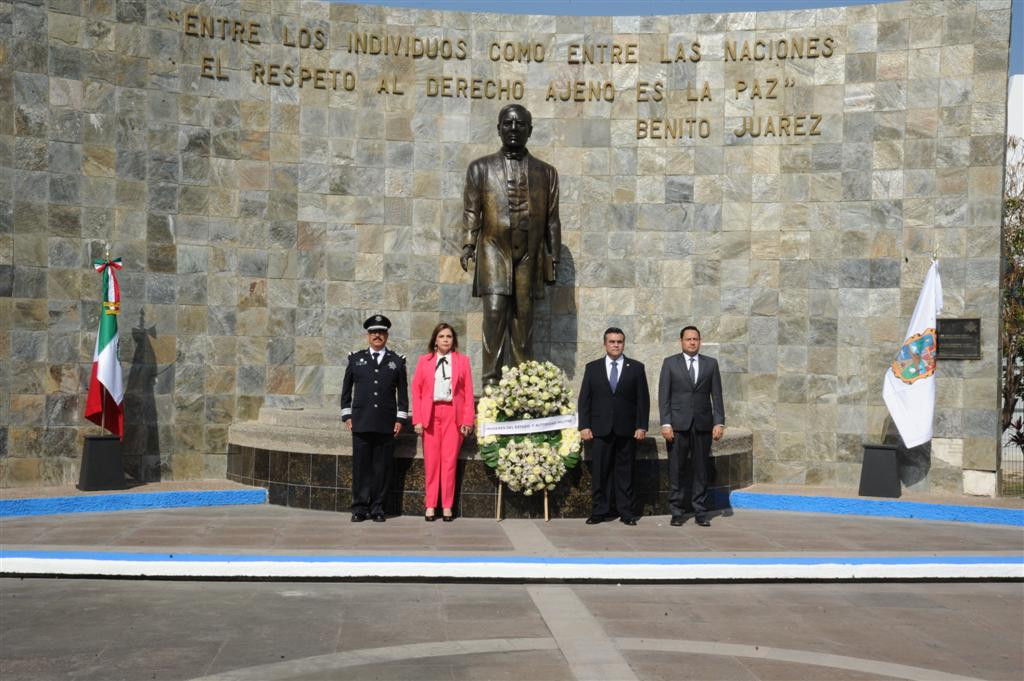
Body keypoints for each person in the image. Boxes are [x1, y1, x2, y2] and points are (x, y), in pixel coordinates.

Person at [460, 104, 561, 384]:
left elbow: (552, 218)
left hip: (529, 251)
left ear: (530, 130)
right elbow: (472, 210)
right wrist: (469, 243)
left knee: (524, 317)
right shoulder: (480, 168)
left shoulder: (546, 172)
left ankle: (521, 380)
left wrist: (554, 256)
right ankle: (491, 380)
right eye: (508, 124)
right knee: (494, 312)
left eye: (520, 125)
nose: (513, 130)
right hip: (494, 247)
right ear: (498, 129)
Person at [577, 327, 650, 526]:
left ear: (623, 344)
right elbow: (585, 399)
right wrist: (584, 425)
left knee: (625, 473)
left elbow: (643, 399)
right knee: (600, 473)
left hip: (627, 430)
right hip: (600, 430)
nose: (616, 345)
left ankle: (626, 512)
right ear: (605, 344)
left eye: (619, 342)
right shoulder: (592, 368)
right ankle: (599, 511)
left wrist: (641, 425)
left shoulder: (636, 368)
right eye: (612, 342)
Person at [340, 315, 409, 522]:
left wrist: (400, 419)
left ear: (387, 335)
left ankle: (378, 507)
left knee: (382, 468)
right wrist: (347, 415)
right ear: (368, 336)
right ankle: (360, 508)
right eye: (373, 332)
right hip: (361, 422)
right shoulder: (355, 359)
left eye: (381, 332)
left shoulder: (396, 361)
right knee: (361, 467)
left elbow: (403, 395)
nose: (377, 336)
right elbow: (346, 392)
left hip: (386, 423)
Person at [658, 326, 725, 527]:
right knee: (676, 469)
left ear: (700, 341)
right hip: (677, 426)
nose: (692, 342)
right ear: (681, 341)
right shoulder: (670, 364)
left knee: (701, 470)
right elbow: (664, 396)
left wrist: (719, 422)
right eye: (688, 339)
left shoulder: (710, 364)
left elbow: (717, 395)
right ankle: (677, 512)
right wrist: (666, 422)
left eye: (695, 339)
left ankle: (700, 512)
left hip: (703, 425)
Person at [411, 323, 475, 522]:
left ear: (453, 340)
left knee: (449, 462)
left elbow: (468, 394)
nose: (446, 339)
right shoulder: (424, 361)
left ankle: (447, 506)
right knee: (431, 462)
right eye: (442, 336)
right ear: (435, 340)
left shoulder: (462, 361)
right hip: (431, 415)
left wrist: (467, 420)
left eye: (449, 336)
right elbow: (417, 391)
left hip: (451, 415)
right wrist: (418, 420)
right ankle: (430, 505)